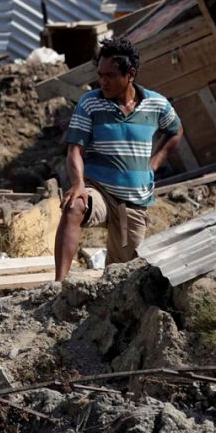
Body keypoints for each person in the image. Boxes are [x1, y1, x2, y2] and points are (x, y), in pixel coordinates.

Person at [54, 37, 183, 280]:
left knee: (121, 276)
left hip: (134, 201)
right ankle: (58, 285)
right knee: (74, 206)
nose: (102, 81)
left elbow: (176, 131)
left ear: (130, 74)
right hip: (99, 190)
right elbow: (74, 150)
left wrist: (154, 163)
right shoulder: (90, 103)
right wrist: (79, 184)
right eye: (100, 74)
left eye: (110, 75)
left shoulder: (156, 104)